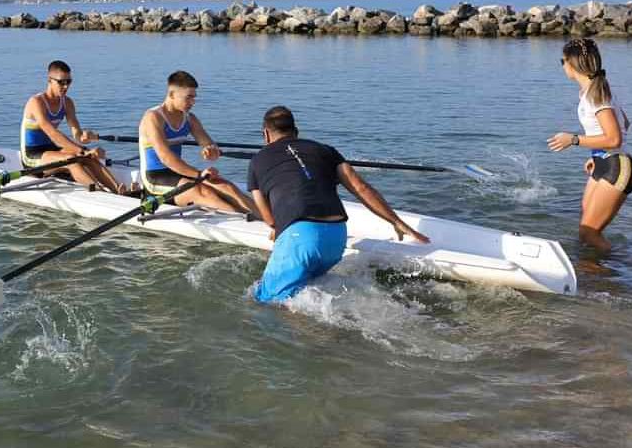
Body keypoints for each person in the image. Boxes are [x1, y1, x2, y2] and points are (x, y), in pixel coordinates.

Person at [248, 106, 430, 302]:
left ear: (265, 134)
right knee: (306, 294)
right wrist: (396, 221)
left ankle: (326, 333)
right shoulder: (325, 150)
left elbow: (267, 217)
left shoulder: (257, 161)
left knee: (266, 301)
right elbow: (360, 188)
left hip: (300, 237)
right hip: (336, 236)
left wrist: (278, 227)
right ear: (296, 131)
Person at [547, 38, 632, 253]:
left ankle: (618, 273)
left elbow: (615, 138)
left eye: (562, 61)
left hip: (618, 167)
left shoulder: (595, 96)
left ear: (571, 63)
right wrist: (596, 153)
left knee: (589, 232)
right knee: (585, 230)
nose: (562, 65)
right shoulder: (594, 91)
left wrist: (574, 139)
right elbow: (625, 122)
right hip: (605, 162)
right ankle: (594, 278)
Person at [138, 71, 259, 216]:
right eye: (188, 97)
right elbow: (166, 158)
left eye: (194, 97)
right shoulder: (153, 118)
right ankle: (246, 224)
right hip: (155, 179)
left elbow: (208, 144)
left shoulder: (190, 119)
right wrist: (198, 174)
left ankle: (269, 221)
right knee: (204, 192)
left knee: (227, 187)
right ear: (171, 94)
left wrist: (210, 150)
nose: (193, 102)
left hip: (179, 174)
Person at [21, 60, 126, 193]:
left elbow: (77, 133)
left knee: (90, 158)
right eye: (61, 82)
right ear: (50, 80)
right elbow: (52, 133)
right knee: (73, 160)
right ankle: (101, 193)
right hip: (32, 156)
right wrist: (82, 151)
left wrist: (85, 138)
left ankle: (119, 190)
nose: (65, 86)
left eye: (69, 82)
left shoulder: (68, 103)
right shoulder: (36, 102)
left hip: (51, 150)